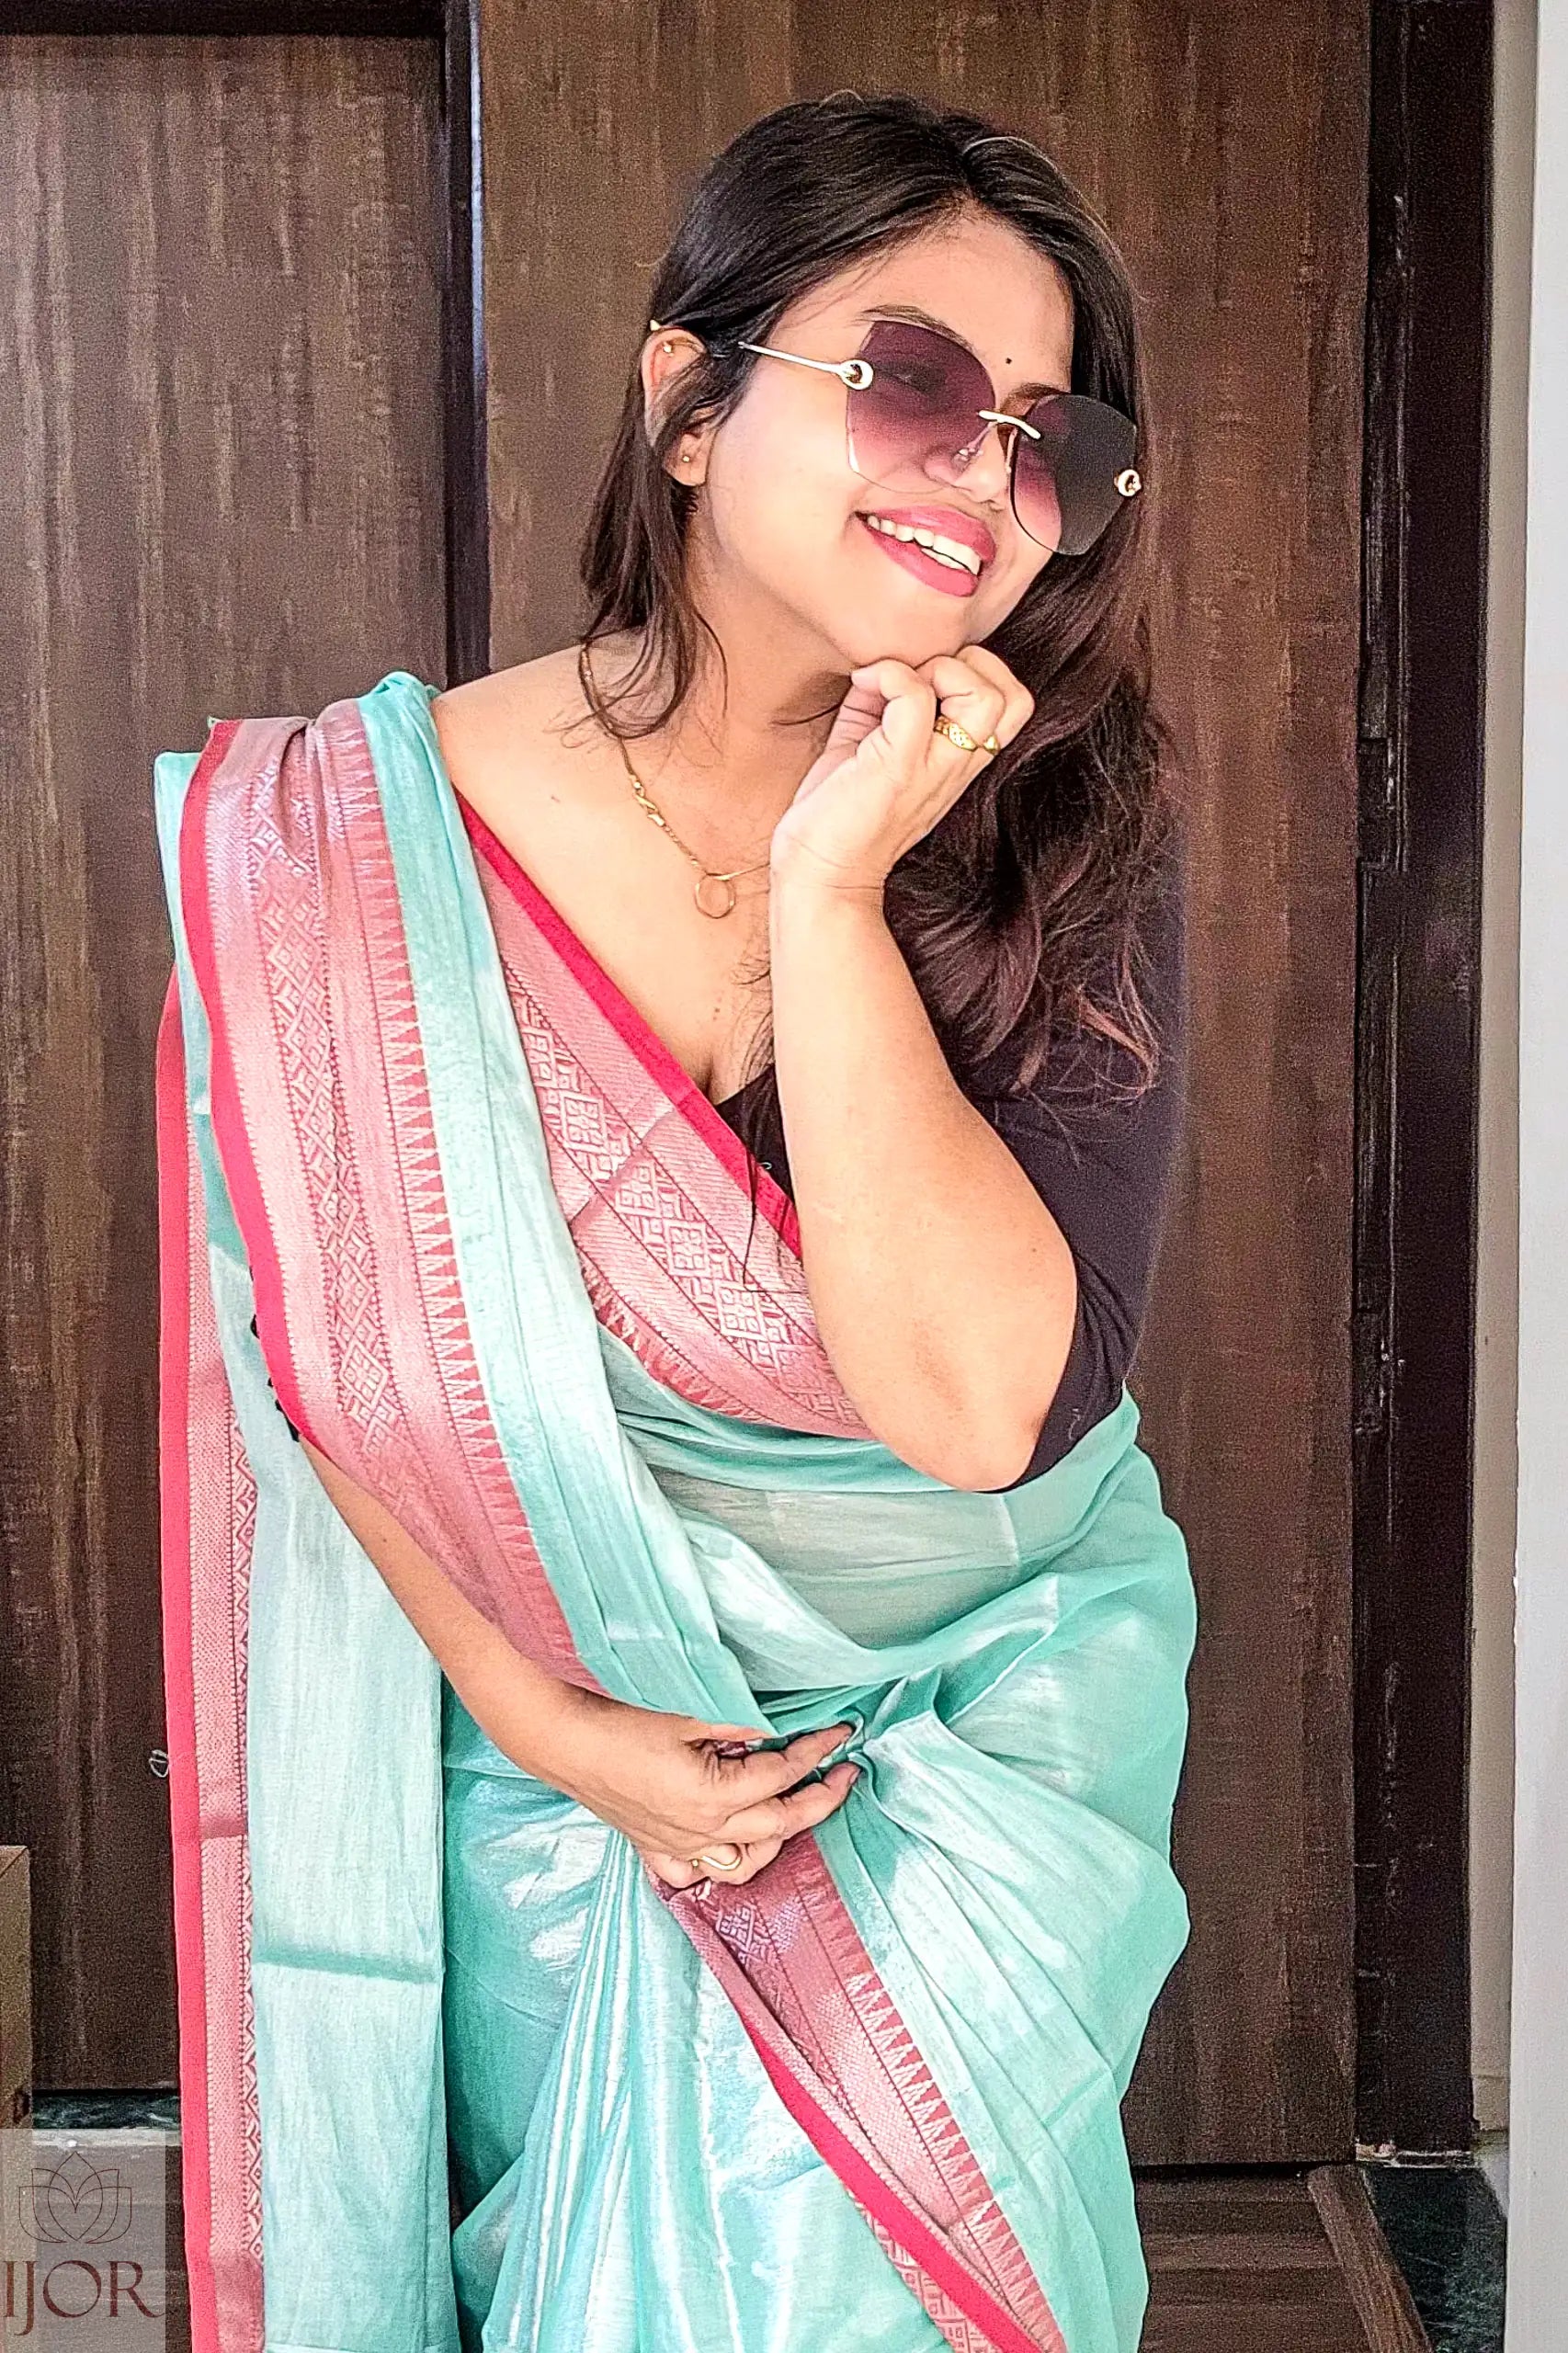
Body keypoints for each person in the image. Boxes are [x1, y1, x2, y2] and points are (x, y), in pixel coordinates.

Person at [155, 90, 1197, 2353]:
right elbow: (323, 1359)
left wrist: (833, 892)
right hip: (558, 1762)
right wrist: (543, 1717)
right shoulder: (342, 844)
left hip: (972, 1736)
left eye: (1048, 438)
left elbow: (975, 1415)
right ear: (690, 399)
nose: (979, 471)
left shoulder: (1063, 830)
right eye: (911, 379)